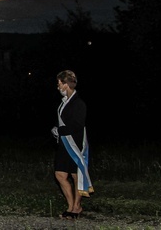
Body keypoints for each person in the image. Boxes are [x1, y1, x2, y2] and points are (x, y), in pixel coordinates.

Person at [52, 70, 93, 220]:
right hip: (64, 143)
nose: (58, 87)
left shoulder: (79, 103)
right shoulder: (64, 103)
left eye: (59, 84)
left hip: (75, 144)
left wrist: (60, 129)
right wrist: (56, 129)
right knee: (60, 174)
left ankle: (77, 207)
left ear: (65, 84)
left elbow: (77, 125)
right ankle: (70, 206)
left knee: (76, 175)